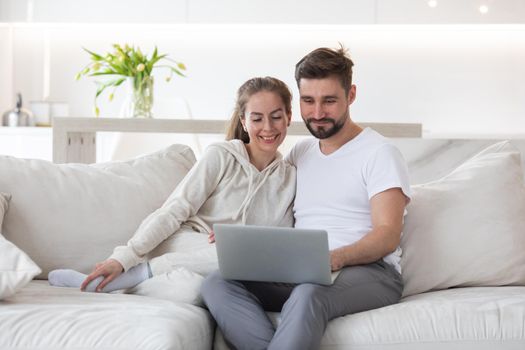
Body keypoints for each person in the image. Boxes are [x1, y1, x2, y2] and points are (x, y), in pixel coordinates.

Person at [201, 46, 411, 350]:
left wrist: (333, 258)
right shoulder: (302, 152)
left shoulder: (380, 153)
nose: (317, 113)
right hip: (303, 271)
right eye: (308, 101)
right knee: (218, 282)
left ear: (350, 95)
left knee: (310, 292)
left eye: (329, 101)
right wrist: (238, 234)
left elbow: (387, 235)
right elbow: (273, 207)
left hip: (372, 273)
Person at [48, 76, 296, 293]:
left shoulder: (289, 178)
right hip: (186, 242)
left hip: (231, 256)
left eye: (276, 117)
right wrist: (124, 258)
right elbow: (175, 209)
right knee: (236, 259)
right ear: (243, 121)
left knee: (196, 289)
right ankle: (129, 275)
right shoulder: (221, 156)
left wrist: (237, 239)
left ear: (288, 118)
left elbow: (280, 240)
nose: (268, 128)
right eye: (257, 118)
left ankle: (134, 285)